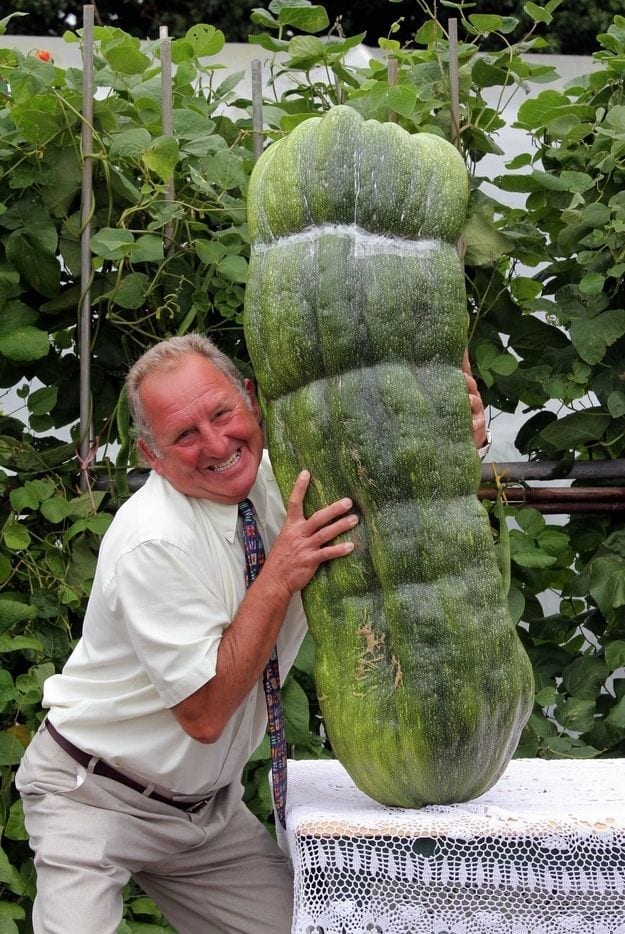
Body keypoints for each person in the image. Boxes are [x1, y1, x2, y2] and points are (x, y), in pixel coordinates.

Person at [16, 333, 489, 934]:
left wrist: (454, 437)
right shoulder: (152, 540)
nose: (215, 444)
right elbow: (206, 712)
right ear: (150, 453)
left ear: (249, 398)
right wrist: (280, 574)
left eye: (222, 413)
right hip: (91, 794)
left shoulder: (286, 478)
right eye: (184, 436)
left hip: (204, 814)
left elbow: (397, 495)